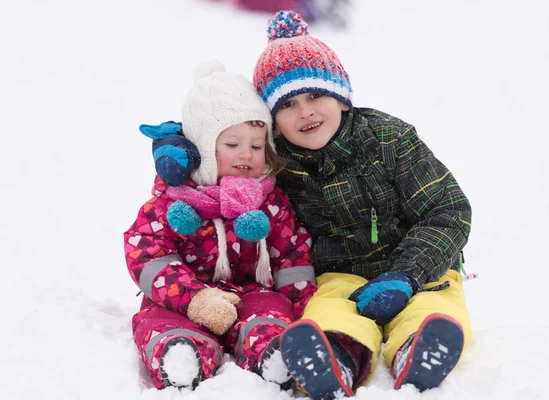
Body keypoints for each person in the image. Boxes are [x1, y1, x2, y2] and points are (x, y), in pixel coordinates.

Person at [251, 10, 473, 399]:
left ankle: (418, 349)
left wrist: (407, 274)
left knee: (432, 304)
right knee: (330, 311)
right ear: (272, 121)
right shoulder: (278, 165)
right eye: (287, 105)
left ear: (342, 97)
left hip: (420, 269)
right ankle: (336, 356)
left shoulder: (389, 139)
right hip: (340, 275)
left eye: (315, 95)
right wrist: (186, 149)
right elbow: (226, 159)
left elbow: (448, 210)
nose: (305, 112)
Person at [124, 61, 316, 391]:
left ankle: (273, 354)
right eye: (231, 145)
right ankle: (180, 353)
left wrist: (304, 311)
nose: (247, 154)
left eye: (257, 146)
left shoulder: (269, 201)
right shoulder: (173, 202)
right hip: (183, 299)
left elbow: (292, 257)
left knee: (270, 314)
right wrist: (195, 299)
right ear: (202, 150)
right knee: (159, 320)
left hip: (253, 293)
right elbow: (147, 254)